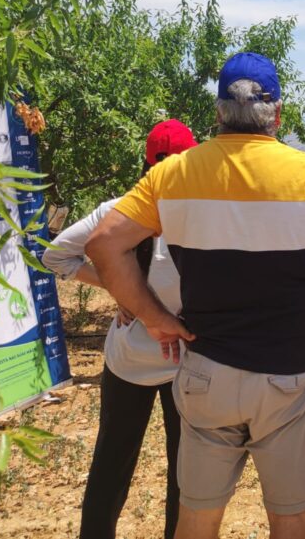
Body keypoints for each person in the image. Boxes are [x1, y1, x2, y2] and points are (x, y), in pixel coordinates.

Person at [84, 52, 305, 539]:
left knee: (196, 520)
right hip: (291, 379)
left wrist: (153, 317)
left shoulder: (172, 175)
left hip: (206, 376)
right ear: (277, 113)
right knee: (290, 519)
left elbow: (102, 245)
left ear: (219, 113)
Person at [43, 119, 197, 539]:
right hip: (187, 364)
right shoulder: (202, 221)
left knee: (111, 464)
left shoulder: (115, 212)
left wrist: (121, 289)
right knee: (185, 471)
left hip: (127, 361)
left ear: (146, 163)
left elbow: (54, 257)